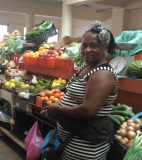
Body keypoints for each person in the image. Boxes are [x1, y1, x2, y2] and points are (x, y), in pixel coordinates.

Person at [41, 21, 119, 160]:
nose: (87, 50)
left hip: (86, 148)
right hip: (73, 141)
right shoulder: (87, 67)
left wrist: (58, 109)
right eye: (84, 45)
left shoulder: (103, 74)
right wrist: (60, 103)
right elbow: (74, 97)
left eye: (93, 46)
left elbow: (88, 111)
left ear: (105, 48)